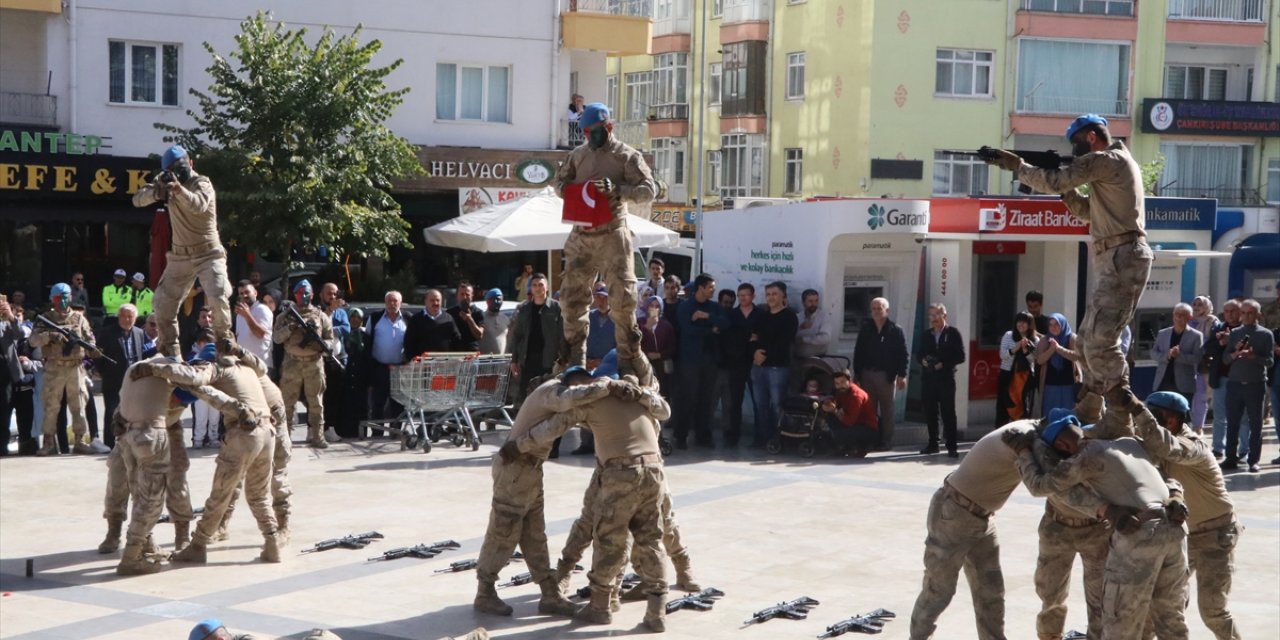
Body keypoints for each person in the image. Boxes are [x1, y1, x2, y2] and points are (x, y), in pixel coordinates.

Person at [988, 115, 1152, 431]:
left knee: (1103, 339)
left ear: (1090, 138)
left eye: (1074, 141)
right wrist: (1062, 190)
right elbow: (1085, 211)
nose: (1074, 149)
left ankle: (1124, 415)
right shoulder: (1110, 170)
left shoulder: (1108, 159)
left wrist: (1019, 167)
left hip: (1123, 255)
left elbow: (1056, 180)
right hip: (1113, 255)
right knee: (1088, 338)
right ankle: (1091, 407)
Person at [504, 367, 674, 632]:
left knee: (610, 539)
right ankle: (656, 611)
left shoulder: (592, 400)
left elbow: (553, 427)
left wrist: (518, 445)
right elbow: (665, 411)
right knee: (651, 538)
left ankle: (600, 606)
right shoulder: (636, 396)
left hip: (621, 473)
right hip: (654, 471)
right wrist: (641, 393)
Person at [1013, 422, 1190, 640]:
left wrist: (1023, 452)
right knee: (1171, 618)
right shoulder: (1129, 443)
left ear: (1062, 445)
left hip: (1141, 532)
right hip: (1175, 529)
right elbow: (1168, 479)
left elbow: (1040, 486)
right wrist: (1176, 497)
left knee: (1120, 621)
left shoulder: (1084, 457)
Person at [908, 417, 1079, 640]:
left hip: (981, 517)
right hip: (953, 514)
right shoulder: (1023, 439)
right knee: (939, 590)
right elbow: (1041, 486)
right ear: (1062, 445)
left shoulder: (1040, 429)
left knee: (990, 591)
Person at [471, 368, 622, 618]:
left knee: (534, 534)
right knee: (504, 531)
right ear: (574, 381)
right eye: (583, 384)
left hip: (529, 469)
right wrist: (606, 386)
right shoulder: (552, 391)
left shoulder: (556, 394)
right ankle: (484, 592)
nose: (585, 389)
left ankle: (550, 594)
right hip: (516, 468)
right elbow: (571, 399)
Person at [138, 346, 281, 565]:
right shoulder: (247, 368)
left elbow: (191, 377)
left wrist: (154, 370)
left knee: (220, 494)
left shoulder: (217, 369)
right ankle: (272, 543)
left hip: (244, 433)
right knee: (258, 495)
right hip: (268, 432)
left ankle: (197, 545)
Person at [553, 102, 657, 383]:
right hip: (582, 233)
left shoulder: (627, 156)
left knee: (622, 300)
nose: (590, 137)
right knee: (572, 298)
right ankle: (575, 359)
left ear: (608, 128)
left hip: (612, 232)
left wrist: (618, 190)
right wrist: (569, 190)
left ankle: (627, 359)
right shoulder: (577, 155)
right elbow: (559, 183)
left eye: (595, 132)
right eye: (585, 132)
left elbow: (649, 190)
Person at [1135, 391, 1242, 639]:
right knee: (1162, 606)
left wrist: (1136, 410)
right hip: (1184, 537)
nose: (1144, 425)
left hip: (1216, 537)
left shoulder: (1192, 446)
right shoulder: (1158, 446)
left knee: (1213, 611)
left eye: (1152, 418)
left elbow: (1171, 449)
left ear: (1170, 420)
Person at [100, 353, 209, 574]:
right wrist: (119, 421)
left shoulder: (185, 379)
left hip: (168, 429)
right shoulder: (147, 371)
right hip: (134, 428)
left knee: (176, 482)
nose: (175, 403)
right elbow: (125, 400)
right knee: (119, 480)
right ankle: (119, 533)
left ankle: (182, 536)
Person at [132, 144, 232, 356]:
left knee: (218, 294)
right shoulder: (165, 183)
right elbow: (137, 199)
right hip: (180, 255)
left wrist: (178, 189)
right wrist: (156, 192)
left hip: (208, 252)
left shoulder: (202, 183)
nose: (178, 172)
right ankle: (170, 347)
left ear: (191, 163)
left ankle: (224, 341)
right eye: (173, 169)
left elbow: (198, 205)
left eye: (181, 166)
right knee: (161, 302)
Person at [28, 283, 96, 456]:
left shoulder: (79, 319)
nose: (62, 301)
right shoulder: (46, 318)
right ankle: (49, 442)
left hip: (75, 368)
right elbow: (33, 341)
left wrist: (86, 345)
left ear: (71, 298)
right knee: (51, 406)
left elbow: (91, 341)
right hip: (54, 367)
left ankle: (80, 440)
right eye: (58, 298)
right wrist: (50, 335)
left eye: (65, 297)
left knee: (79, 405)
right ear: (52, 299)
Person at [274, 280, 335, 449]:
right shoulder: (285, 316)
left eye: (307, 293)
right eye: (300, 293)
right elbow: (276, 338)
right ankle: (285, 436)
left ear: (313, 295)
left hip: (313, 363)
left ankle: (317, 436)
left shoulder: (320, 316)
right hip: (291, 363)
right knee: (287, 402)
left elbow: (330, 339)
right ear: (295, 295)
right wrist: (290, 328)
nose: (304, 296)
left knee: (316, 401)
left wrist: (322, 345)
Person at [674, 274, 727, 449]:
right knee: (687, 398)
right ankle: (681, 435)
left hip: (710, 359)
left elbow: (725, 324)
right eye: (710, 287)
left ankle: (703, 435)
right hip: (690, 359)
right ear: (701, 288)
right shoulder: (685, 306)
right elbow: (687, 330)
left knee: (707, 399)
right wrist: (711, 330)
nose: (713, 290)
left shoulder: (714, 307)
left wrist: (706, 317)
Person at [1222, 299, 1274, 473]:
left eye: (1250, 313)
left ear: (1258, 314)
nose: (1245, 316)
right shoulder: (1236, 333)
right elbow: (1225, 358)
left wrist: (1254, 357)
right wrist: (1236, 352)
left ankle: (1253, 460)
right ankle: (1230, 457)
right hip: (1235, 383)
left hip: (1255, 384)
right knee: (1233, 422)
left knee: (1256, 423)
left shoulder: (1266, 334)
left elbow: (1270, 361)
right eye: (1243, 313)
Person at [853, 297, 908, 450]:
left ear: (887, 310)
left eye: (880, 308)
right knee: (869, 409)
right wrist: (857, 375)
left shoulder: (896, 330)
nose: (877, 311)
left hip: (886, 376)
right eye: (874, 308)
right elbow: (859, 352)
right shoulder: (866, 329)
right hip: (867, 374)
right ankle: (871, 439)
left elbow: (903, 354)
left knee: (887, 410)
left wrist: (902, 375)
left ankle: (886, 441)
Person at [749, 281, 798, 448]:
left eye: (774, 294)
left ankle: (780, 439)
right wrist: (755, 352)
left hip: (778, 367)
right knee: (760, 404)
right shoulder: (762, 315)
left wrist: (765, 355)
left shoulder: (789, 316)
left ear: (783, 295)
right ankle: (763, 438)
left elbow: (784, 342)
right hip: (758, 366)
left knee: (777, 404)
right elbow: (753, 337)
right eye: (768, 294)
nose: (771, 297)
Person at [916, 303, 966, 457]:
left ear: (944, 315)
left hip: (945, 378)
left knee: (948, 412)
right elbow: (919, 354)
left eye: (937, 314)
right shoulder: (926, 334)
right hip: (929, 378)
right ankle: (933, 443)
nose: (934, 318)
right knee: (930, 411)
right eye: (931, 315)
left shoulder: (953, 333)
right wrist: (923, 361)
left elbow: (961, 356)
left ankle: (952, 446)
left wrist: (943, 364)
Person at [96, 303, 147, 449]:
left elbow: (141, 355)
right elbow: (99, 355)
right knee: (112, 413)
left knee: (133, 414)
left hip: (134, 381)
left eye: (130, 316)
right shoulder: (107, 333)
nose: (126, 319)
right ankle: (110, 445)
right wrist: (103, 372)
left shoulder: (139, 333)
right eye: (123, 316)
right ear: (118, 317)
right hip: (113, 379)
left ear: (135, 318)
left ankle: (131, 442)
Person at [509, 274, 562, 409]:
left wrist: (563, 357)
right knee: (526, 398)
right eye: (535, 285)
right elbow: (517, 336)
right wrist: (514, 360)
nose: (538, 288)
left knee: (547, 397)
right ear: (531, 288)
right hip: (528, 360)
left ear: (547, 287)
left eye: (541, 285)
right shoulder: (524, 309)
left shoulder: (556, 308)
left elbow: (563, 335)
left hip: (549, 361)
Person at [366, 291, 407, 438]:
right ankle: (377, 432)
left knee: (398, 403)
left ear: (400, 303)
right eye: (389, 301)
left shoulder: (407, 318)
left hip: (400, 369)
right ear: (385, 303)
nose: (392, 304)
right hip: (379, 368)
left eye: (395, 301)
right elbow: (368, 343)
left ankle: (396, 432)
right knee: (378, 402)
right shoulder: (375, 318)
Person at [1151, 302, 1204, 404]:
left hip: (1184, 385)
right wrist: (1168, 355)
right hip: (1163, 381)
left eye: (1182, 315)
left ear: (1189, 318)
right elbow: (1153, 353)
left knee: (1181, 415)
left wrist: (1179, 356)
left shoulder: (1196, 336)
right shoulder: (1163, 333)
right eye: (1176, 314)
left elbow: (1198, 358)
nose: (1178, 317)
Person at [819, 369, 878, 457]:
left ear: (849, 381)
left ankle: (859, 446)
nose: (840, 386)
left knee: (836, 435)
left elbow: (849, 421)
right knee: (828, 416)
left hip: (866, 428)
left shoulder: (856, 396)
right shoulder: (841, 391)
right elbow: (836, 402)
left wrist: (835, 411)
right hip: (853, 424)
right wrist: (829, 404)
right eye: (837, 383)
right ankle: (844, 446)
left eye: (842, 382)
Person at [1034, 313, 1080, 421]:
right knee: (1050, 416)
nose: (1053, 327)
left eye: (1057, 324)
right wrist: (1051, 350)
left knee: (1069, 417)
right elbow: (1040, 360)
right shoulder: (1045, 340)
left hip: (1069, 385)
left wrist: (1059, 349)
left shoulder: (1072, 338)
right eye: (1050, 325)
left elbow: (1077, 357)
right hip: (1050, 385)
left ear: (1063, 324)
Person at [996, 312, 1038, 426]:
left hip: (1025, 378)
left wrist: (1025, 349)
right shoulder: (1008, 335)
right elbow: (1003, 355)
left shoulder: (1035, 340)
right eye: (1019, 321)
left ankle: (1022, 435)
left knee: (1024, 407)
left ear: (1030, 325)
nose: (1021, 324)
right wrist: (1017, 346)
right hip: (1007, 375)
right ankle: (1000, 433)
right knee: (1004, 406)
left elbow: (1034, 360)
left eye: (1024, 322)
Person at [1189, 295, 1218, 433]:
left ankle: (1197, 427)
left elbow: (1212, 342)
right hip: (1188, 363)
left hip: (1203, 364)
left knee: (1201, 396)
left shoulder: (1212, 321)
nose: (1196, 307)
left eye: (1200, 304)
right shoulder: (1189, 321)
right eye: (1194, 304)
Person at [404, 289, 460, 359]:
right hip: (422, 364)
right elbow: (408, 343)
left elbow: (457, 340)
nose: (435, 303)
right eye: (432, 300)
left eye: (438, 300)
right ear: (425, 301)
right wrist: (412, 360)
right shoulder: (416, 319)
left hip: (444, 363)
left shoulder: (448, 318)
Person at [189, 329, 220, 449]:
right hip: (200, 392)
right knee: (201, 416)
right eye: (203, 342)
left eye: (209, 342)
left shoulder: (218, 356)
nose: (206, 345)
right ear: (198, 343)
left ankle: (214, 437)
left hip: (215, 390)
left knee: (215, 415)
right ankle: (198, 439)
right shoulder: (195, 356)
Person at [0, 295, 23, 456]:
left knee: (4, 411)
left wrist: (11, 316)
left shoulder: (7, 324)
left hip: (5, 373)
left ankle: (2, 446)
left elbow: (20, 334)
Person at [233, 282, 273, 373]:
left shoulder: (262, 309)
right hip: (244, 365)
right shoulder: (240, 315)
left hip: (261, 365)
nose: (244, 295)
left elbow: (260, 334)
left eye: (247, 292)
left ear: (255, 293)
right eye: (241, 293)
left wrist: (247, 315)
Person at [639, 295, 675, 395]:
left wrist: (659, 355)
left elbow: (672, 347)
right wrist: (646, 328)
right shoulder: (640, 322)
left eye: (657, 306)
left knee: (661, 394)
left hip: (661, 368)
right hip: (643, 364)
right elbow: (634, 341)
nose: (654, 308)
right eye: (651, 305)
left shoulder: (666, 325)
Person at [447, 281, 485, 353]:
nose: (464, 297)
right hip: (454, 353)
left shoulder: (478, 312)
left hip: (471, 354)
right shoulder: (449, 313)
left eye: (467, 295)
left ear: (472, 295)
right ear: (457, 295)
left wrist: (469, 319)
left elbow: (479, 335)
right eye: (462, 294)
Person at [793, 289, 831, 359]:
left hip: (817, 359)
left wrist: (803, 339)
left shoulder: (824, 316)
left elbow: (825, 338)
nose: (814, 304)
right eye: (810, 301)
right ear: (803, 302)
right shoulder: (798, 317)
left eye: (816, 301)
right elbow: (791, 336)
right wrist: (800, 328)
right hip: (798, 358)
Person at [478, 289, 510, 355]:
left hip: (502, 362)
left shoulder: (506, 319)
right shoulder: (481, 318)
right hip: (484, 362)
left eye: (499, 299)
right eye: (492, 299)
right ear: (487, 301)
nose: (496, 302)